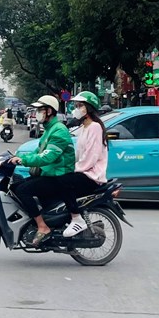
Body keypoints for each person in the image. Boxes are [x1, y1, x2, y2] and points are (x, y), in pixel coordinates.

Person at [9, 95, 76, 246]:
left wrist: (23, 160)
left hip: (59, 176)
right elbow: (38, 153)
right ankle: (40, 220)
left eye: (41, 110)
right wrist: (18, 156)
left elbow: (47, 158)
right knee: (16, 185)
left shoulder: (58, 131)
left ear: (50, 111)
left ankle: (42, 226)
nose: (37, 113)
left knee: (23, 191)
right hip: (50, 174)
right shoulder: (49, 130)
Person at [53, 91, 110, 237]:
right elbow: (78, 155)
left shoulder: (95, 127)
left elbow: (91, 156)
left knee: (63, 181)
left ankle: (76, 219)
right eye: (76, 105)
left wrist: (74, 170)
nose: (76, 109)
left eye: (80, 106)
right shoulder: (83, 128)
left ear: (88, 108)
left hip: (92, 176)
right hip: (84, 172)